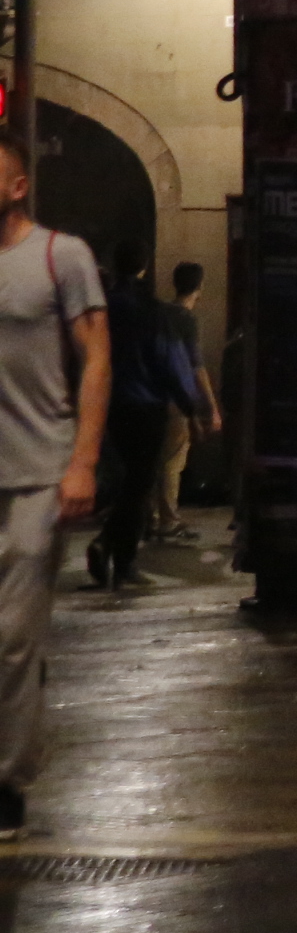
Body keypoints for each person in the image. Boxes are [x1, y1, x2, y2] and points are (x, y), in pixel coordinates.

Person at [0, 126, 107, 839]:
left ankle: (6, 781)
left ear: (17, 184)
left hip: (37, 472)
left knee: (11, 637)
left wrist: (83, 462)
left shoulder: (59, 255)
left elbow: (97, 358)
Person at [89, 254, 200, 592]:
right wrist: (189, 407)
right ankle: (122, 560)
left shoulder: (100, 308)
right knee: (139, 485)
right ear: (143, 269)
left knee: (118, 481)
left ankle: (108, 542)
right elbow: (170, 359)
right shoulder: (151, 311)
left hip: (103, 405)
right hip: (144, 407)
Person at [147, 261, 216, 546]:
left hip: (153, 395)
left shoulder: (159, 313)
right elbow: (196, 366)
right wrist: (211, 406)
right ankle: (169, 521)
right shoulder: (187, 320)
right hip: (177, 400)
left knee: (155, 460)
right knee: (173, 462)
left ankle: (151, 518)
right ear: (199, 287)